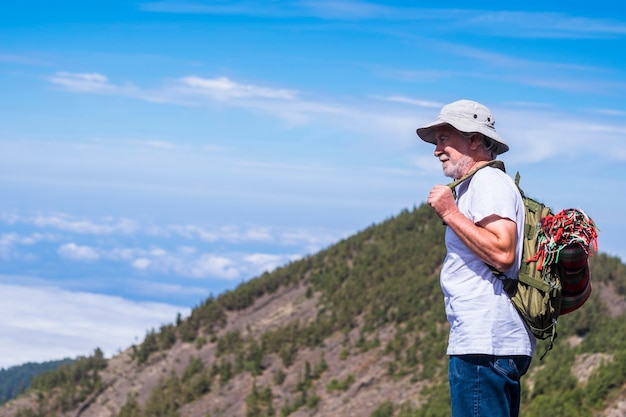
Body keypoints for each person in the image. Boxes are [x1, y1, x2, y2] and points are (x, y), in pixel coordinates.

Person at [416, 99, 534, 417]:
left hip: (485, 343)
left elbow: (503, 252)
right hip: (491, 343)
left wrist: (450, 213)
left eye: (444, 139)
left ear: (474, 140)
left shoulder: (488, 182)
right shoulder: (481, 184)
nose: (437, 149)